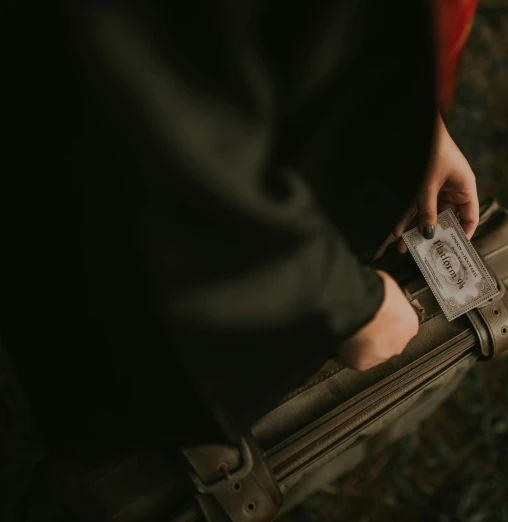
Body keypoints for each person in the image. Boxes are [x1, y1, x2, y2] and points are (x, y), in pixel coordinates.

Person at [1, 0, 480, 519]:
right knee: (120, 393)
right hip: (149, 273)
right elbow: (153, 157)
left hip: (279, 173)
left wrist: (407, 118)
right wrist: (343, 307)